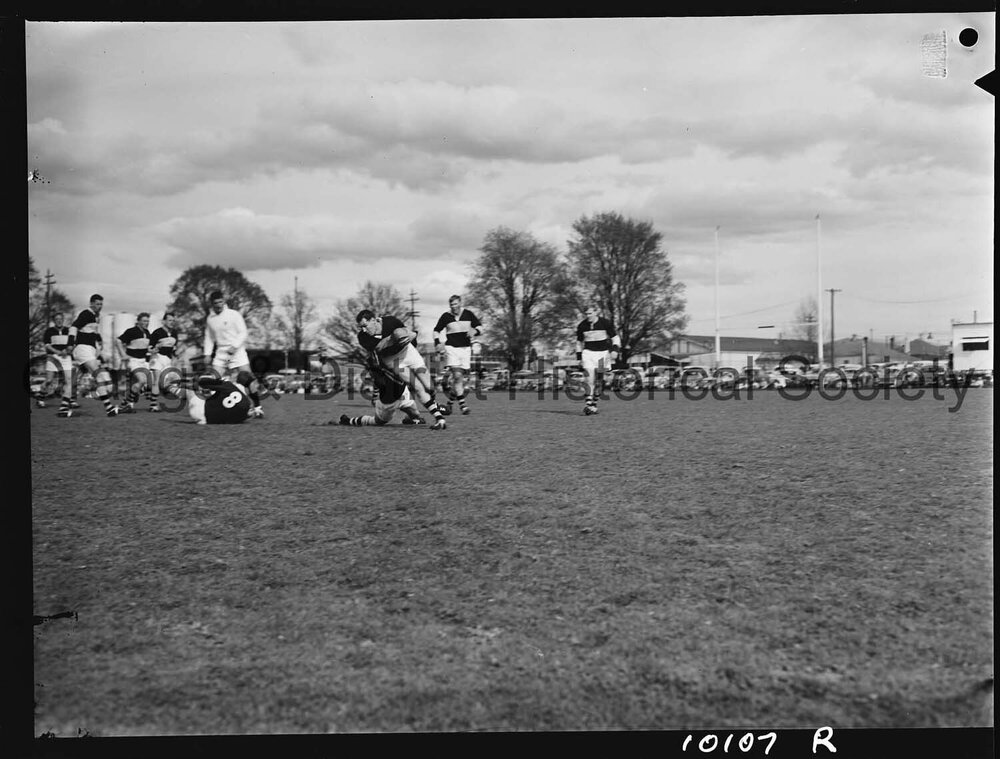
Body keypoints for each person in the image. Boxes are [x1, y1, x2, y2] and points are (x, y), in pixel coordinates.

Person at [355, 309, 447, 430]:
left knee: (429, 386)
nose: (364, 330)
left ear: (373, 320)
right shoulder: (363, 337)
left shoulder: (390, 321)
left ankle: (433, 405)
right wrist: (396, 337)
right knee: (417, 386)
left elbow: (408, 335)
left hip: (408, 352)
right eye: (361, 327)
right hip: (393, 360)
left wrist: (408, 336)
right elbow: (380, 348)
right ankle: (440, 419)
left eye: (365, 326)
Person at [204, 291, 263, 418]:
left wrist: (234, 346)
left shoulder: (234, 314)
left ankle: (258, 407)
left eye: (220, 302)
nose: (218, 305)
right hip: (221, 353)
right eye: (215, 303)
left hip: (237, 352)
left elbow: (243, 332)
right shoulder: (210, 319)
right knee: (213, 380)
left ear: (224, 301)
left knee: (248, 379)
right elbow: (209, 337)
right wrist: (207, 354)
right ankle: (218, 408)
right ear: (212, 304)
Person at [65, 294, 121, 417]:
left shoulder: (95, 317)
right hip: (83, 349)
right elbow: (73, 327)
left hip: (89, 350)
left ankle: (63, 409)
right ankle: (109, 408)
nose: (99, 306)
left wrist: (99, 343)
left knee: (74, 380)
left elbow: (92, 333)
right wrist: (70, 343)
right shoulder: (86, 314)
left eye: (101, 304)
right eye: (97, 304)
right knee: (100, 376)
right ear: (91, 304)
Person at [336, 353, 427, 427]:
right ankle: (349, 421)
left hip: (402, 393)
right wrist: (375, 396)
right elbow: (378, 381)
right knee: (377, 422)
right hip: (389, 401)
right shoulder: (381, 371)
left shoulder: (392, 361)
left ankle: (411, 420)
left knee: (416, 415)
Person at [432, 294, 483, 415]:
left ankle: (450, 403)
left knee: (461, 380)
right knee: (457, 375)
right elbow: (436, 331)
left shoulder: (468, 314)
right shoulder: (446, 316)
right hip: (451, 349)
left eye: (455, 304)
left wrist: (475, 331)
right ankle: (463, 405)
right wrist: (437, 342)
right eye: (451, 305)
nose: (453, 306)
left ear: (460, 303)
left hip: (465, 350)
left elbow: (481, 328)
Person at [575, 302, 621, 415]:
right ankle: (588, 404)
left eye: (590, 313)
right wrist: (579, 358)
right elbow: (579, 343)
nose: (588, 316)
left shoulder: (605, 323)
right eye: (586, 314)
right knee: (589, 379)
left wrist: (615, 350)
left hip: (602, 354)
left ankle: (594, 404)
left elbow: (615, 338)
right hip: (588, 354)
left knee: (599, 381)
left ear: (596, 312)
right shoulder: (582, 326)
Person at [175, 372, 256, 425]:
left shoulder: (229, 385)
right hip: (206, 421)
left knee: (195, 389)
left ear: (236, 380)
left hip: (198, 410)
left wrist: (188, 383)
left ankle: (172, 387)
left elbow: (203, 383)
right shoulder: (247, 405)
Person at [117, 312, 154, 412]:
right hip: (133, 360)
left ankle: (127, 405)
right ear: (138, 321)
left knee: (138, 384)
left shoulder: (147, 333)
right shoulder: (131, 331)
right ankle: (126, 403)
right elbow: (118, 341)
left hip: (143, 361)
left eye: (148, 321)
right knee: (142, 380)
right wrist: (123, 354)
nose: (146, 323)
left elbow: (146, 348)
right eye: (144, 321)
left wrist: (152, 351)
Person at [39, 312, 77, 410]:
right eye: (57, 319)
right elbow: (47, 345)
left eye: (60, 319)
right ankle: (41, 397)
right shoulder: (49, 331)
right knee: (49, 380)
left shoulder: (68, 331)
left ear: (63, 319)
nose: (59, 321)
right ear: (54, 321)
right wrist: (57, 352)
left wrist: (67, 350)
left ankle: (68, 401)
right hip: (53, 357)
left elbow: (73, 344)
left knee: (68, 380)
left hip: (66, 357)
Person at [148, 311, 181, 413]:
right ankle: (153, 405)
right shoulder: (157, 332)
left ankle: (144, 389)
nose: (172, 322)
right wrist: (153, 350)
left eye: (173, 321)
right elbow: (149, 348)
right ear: (164, 321)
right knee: (156, 381)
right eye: (170, 320)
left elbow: (174, 348)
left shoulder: (174, 333)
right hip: (157, 358)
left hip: (168, 359)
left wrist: (176, 355)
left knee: (167, 382)